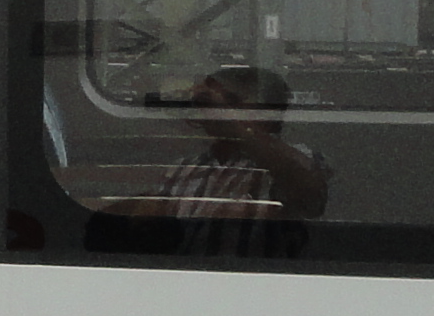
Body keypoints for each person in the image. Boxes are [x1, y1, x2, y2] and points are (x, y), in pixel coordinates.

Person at [132, 63, 330, 257]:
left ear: (264, 111)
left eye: (231, 101)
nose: (210, 110)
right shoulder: (183, 167)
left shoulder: (296, 158)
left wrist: (235, 125)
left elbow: (311, 200)